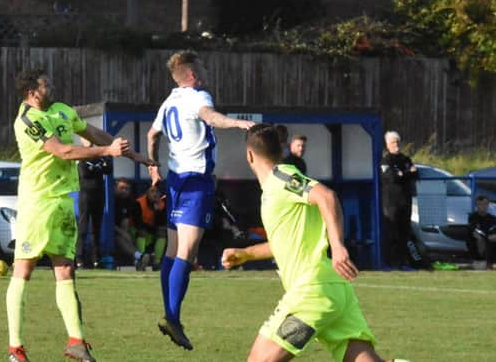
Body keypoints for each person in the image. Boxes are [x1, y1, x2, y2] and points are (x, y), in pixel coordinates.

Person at [8, 68, 152, 362]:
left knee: (66, 271)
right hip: (37, 204)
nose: (54, 85)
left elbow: (93, 133)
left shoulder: (62, 110)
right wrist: (105, 152)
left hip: (62, 202)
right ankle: (16, 349)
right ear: (34, 92)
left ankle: (76, 342)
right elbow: (62, 152)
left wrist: (127, 152)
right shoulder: (27, 120)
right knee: (24, 270)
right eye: (47, 83)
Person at [222, 124, 396, 362]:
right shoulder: (274, 190)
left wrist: (337, 246)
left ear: (249, 155)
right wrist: (246, 254)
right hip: (334, 288)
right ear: (281, 150)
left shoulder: (281, 177)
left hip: (312, 290)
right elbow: (284, 242)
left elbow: (326, 196)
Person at [146, 50, 255, 350]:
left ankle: (170, 313)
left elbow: (152, 135)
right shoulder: (198, 96)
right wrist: (237, 124)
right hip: (196, 182)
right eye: (202, 67)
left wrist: (154, 169)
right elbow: (211, 117)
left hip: (176, 179)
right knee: (187, 251)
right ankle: (173, 318)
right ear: (192, 75)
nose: (205, 71)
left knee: (172, 249)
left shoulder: (169, 101)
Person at [380, 131, 418, 271]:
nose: (395, 145)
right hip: (391, 202)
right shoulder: (386, 160)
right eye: (392, 142)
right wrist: (406, 174)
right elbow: (392, 178)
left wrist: (404, 174)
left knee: (404, 233)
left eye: (397, 142)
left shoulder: (405, 159)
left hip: (405, 201)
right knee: (391, 232)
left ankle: (402, 262)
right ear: (387, 145)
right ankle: (389, 263)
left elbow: (416, 173)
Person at [76, 138, 113, 269]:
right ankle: (79, 258)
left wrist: (96, 168)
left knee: (96, 227)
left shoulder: (99, 156)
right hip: (85, 194)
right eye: (86, 139)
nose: (89, 141)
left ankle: (96, 258)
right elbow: (84, 172)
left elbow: (108, 169)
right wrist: (98, 169)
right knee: (83, 226)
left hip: (99, 194)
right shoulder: (81, 155)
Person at [113, 177, 151, 270]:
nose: (124, 191)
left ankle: (139, 260)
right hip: (111, 233)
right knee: (119, 238)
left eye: (127, 189)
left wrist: (127, 233)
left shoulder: (131, 202)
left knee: (138, 233)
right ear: (115, 188)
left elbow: (135, 222)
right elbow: (108, 224)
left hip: (125, 231)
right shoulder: (110, 201)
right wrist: (123, 233)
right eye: (121, 188)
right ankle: (139, 257)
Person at [135, 186, 167, 270]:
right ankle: (140, 260)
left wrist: (157, 211)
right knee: (142, 232)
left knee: (162, 232)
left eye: (157, 192)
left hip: (151, 230)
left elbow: (161, 223)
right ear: (147, 193)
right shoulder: (139, 203)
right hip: (137, 229)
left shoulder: (161, 205)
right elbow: (137, 222)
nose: (155, 194)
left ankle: (157, 262)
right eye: (152, 191)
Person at [468, 195, 496, 270]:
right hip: (478, 240)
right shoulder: (473, 217)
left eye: (484, 204)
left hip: (490, 239)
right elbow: (475, 231)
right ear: (476, 206)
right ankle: (482, 261)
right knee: (480, 239)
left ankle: (491, 263)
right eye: (480, 204)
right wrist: (487, 237)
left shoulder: (492, 218)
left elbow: (493, 230)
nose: (482, 206)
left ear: (488, 205)